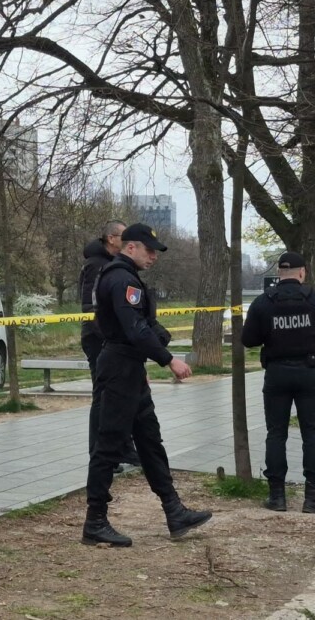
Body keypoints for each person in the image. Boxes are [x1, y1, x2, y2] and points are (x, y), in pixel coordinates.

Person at [82, 223, 212, 547]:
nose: (154, 257)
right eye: (149, 250)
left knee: (150, 441)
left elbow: (141, 324)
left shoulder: (126, 277)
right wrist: (169, 359)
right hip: (119, 369)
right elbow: (134, 329)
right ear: (131, 247)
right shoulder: (121, 278)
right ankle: (95, 521)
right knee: (108, 446)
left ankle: (174, 510)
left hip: (130, 369)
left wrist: (159, 336)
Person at [241, 252, 315, 513]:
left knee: (275, 434)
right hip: (308, 372)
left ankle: (277, 497)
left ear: (279, 273)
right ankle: (312, 498)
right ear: (302, 273)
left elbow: (248, 339)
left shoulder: (263, 302)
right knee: (311, 434)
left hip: (276, 374)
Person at [79, 220, 139, 469]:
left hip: (113, 340)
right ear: (111, 238)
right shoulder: (96, 265)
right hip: (99, 340)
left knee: (119, 396)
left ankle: (121, 448)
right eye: (124, 236)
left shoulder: (115, 264)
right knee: (102, 396)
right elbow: (90, 307)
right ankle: (100, 454)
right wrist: (108, 339)